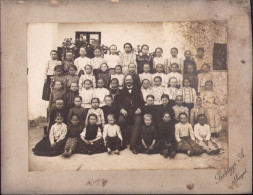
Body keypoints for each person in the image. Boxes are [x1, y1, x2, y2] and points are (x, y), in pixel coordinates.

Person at [117, 75, 145, 153]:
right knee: (121, 120)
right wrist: (122, 109)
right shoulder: (121, 91)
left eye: (130, 80)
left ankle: (133, 145)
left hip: (135, 112)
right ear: (124, 81)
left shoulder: (138, 90)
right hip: (126, 112)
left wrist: (139, 109)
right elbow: (118, 103)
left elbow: (142, 103)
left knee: (138, 121)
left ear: (132, 81)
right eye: (127, 80)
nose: (128, 81)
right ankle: (126, 140)